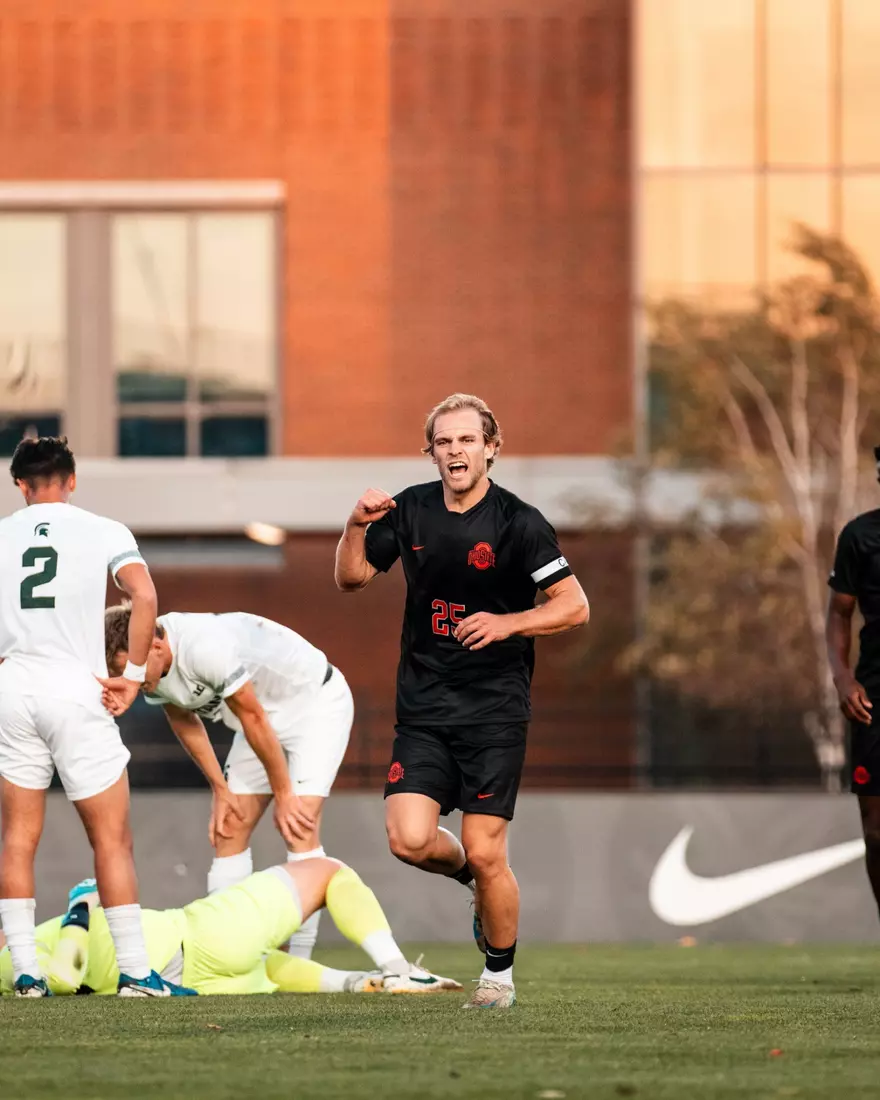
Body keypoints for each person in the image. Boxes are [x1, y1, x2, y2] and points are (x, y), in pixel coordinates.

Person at [334, 394, 589, 1008]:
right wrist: (355, 525)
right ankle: (474, 881)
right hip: (424, 708)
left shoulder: (519, 523)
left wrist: (508, 624)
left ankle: (497, 977)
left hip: (495, 712)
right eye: (443, 442)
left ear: (491, 448)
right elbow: (349, 579)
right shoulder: (412, 509)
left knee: (485, 845)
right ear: (431, 452)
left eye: (467, 440)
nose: (455, 451)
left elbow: (574, 606)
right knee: (409, 839)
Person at [0, 436, 192, 997]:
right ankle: (135, 972)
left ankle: (26, 975)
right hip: (74, 689)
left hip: (14, 690)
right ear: (73, 479)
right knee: (111, 839)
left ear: (20, 486)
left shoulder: (3, 533)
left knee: (16, 838)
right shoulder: (104, 528)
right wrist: (133, 676)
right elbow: (145, 597)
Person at [102, 606, 352, 960]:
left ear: (155, 646)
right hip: (258, 719)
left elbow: (253, 716)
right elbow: (184, 720)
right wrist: (221, 788)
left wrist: (284, 793)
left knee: (298, 825)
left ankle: (300, 961)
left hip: (315, 703)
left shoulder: (204, 647)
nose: (131, 679)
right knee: (229, 827)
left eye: (132, 668)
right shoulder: (149, 671)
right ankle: (230, 953)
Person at [0, 865, 461, 997]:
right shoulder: (7, 957)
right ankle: (400, 969)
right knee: (329, 874)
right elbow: (61, 977)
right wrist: (78, 910)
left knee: (267, 970)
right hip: (195, 938)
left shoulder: (11, 964)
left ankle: (358, 984)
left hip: (190, 982)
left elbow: (54, 981)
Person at [826, 446, 880, 918]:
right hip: (874, 698)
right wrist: (843, 678)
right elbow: (839, 613)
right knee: (877, 831)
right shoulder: (859, 536)